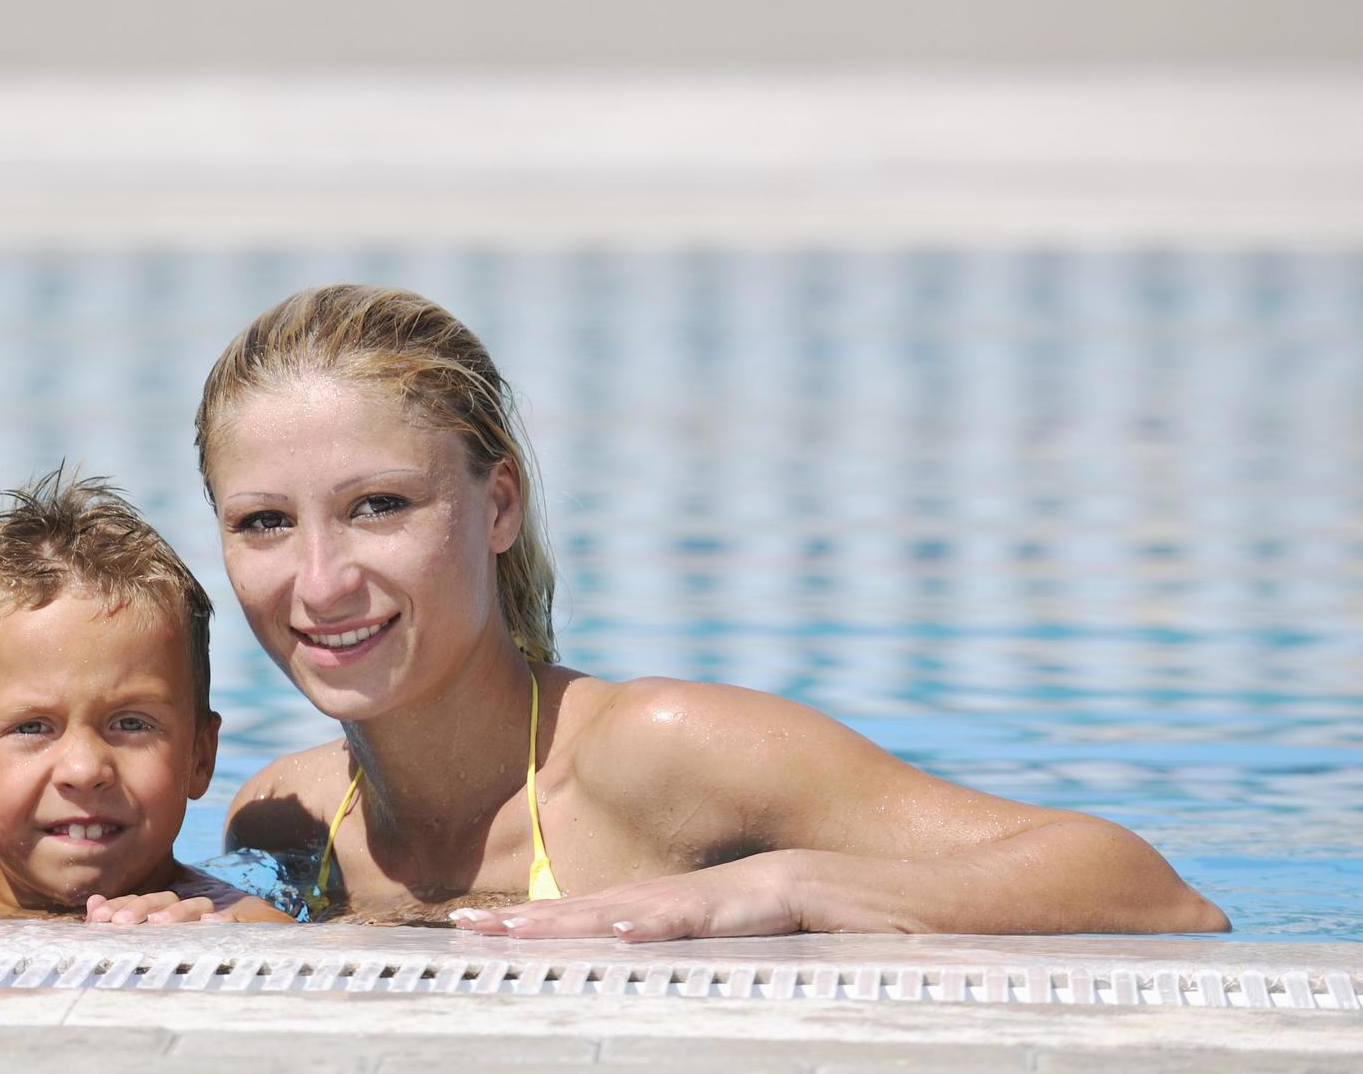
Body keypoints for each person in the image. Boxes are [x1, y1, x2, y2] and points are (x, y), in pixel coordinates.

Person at [203, 285, 1228, 940]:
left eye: (379, 506)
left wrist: (792, 884)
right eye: (263, 522)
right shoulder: (286, 820)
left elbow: (1145, 885)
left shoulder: (656, 758)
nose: (322, 580)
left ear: (499, 505)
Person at [0, 472, 289, 925]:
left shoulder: (243, 925)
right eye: (31, 727)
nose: (84, 772)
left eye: (131, 724)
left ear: (200, 756)